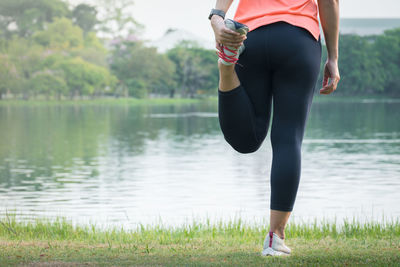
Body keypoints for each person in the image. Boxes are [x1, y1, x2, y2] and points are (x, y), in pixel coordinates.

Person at [209, 0, 340, 256]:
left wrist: (217, 16)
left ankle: (227, 68)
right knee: (287, 139)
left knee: (246, 140)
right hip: (299, 37)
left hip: (253, 37)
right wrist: (333, 57)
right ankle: (275, 238)